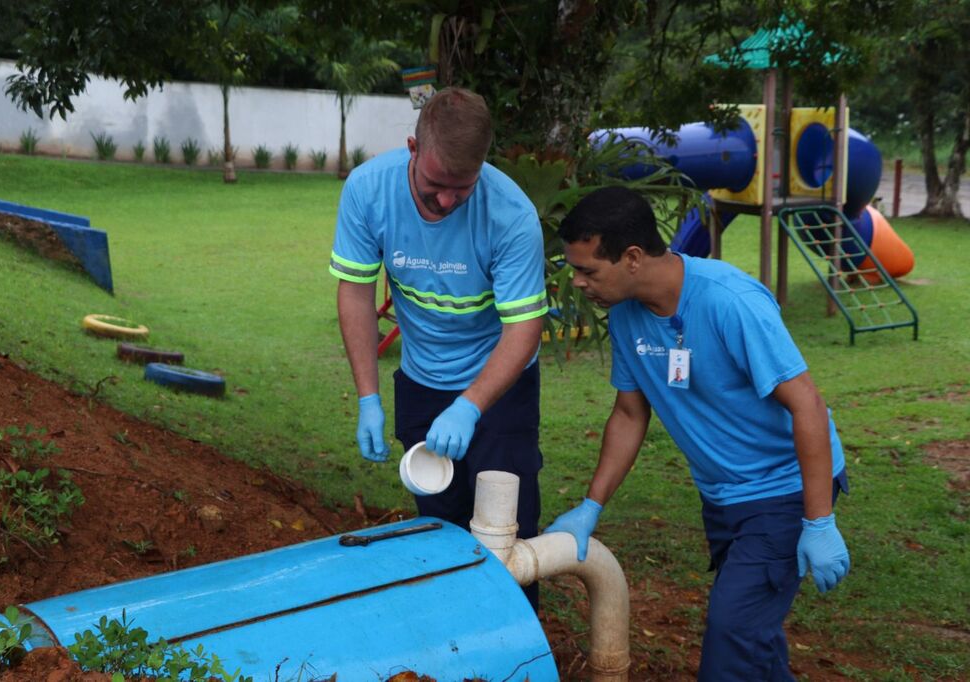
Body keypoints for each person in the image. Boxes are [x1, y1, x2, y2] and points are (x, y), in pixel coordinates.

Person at [544, 186, 850, 680]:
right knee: (752, 639)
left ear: (633, 258)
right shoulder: (625, 315)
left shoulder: (730, 301)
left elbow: (807, 406)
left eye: (588, 271)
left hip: (784, 490)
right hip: (724, 496)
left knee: (732, 634)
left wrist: (818, 521)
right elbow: (628, 413)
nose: (578, 283)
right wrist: (590, 506)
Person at [329, 87, 548, 605]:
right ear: (412, 147)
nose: (447, 200)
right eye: (435, 185)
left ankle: (516, 647)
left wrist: (471, 406)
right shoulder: (368, 190)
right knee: (439, 525)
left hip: (499, 386)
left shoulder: (512, 215)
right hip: (422, 379)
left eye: (461, 188)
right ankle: (454, 640)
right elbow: (356, 293)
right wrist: (368, 397)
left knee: (507, 533)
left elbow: (523, 329)